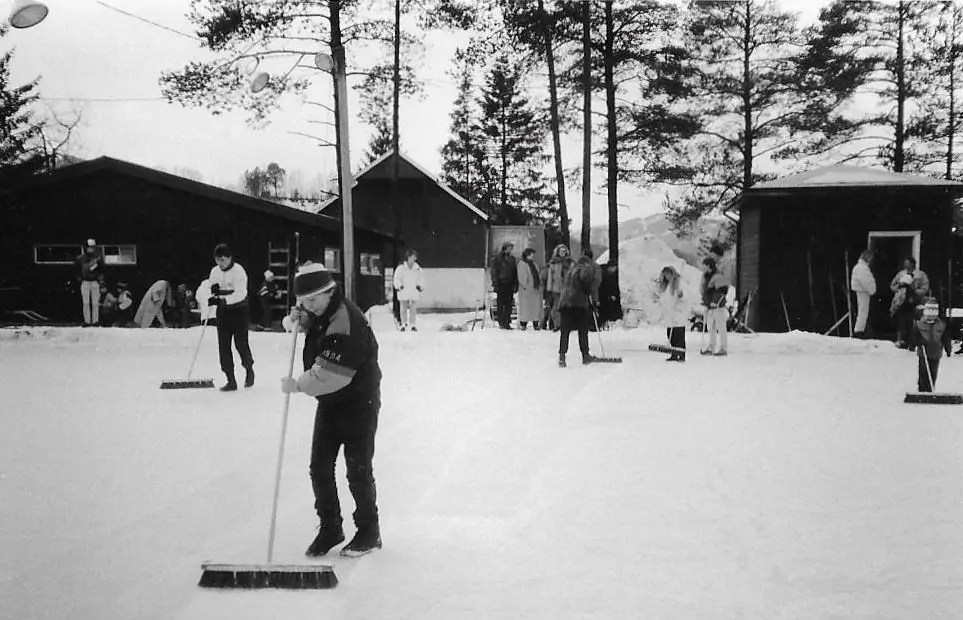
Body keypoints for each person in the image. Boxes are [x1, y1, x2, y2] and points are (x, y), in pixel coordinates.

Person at [280, 262, 383, 558]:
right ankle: (330, 528)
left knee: (357, 470)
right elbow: (314, 322)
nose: (307, 306)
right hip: (331, 402)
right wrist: (301, 317)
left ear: (328, 292)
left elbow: (331, 375)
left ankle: (369, 531)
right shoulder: (322, 310)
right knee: (320, 467)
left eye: (312, 300)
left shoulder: (346, 321)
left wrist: (298, 385)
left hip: (358, 402)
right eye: (302, 301)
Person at [207, 244, 255, 391]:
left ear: (229, 258)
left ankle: (248, 369)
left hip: (239, 311)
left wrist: (223, 299)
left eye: (223, 260)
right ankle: (230, 379)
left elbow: (241, 293)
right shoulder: (215, 271)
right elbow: (210, 287)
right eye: (217, 260)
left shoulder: (239, 271)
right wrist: (212, 294)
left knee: (240, 343)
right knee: (223, 345)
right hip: (223, 313)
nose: (220, 263)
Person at [557, 249, 598, 367]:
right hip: (578, 304)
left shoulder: (571, 270)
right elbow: (586, 284)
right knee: (583, 331)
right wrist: (590, 293)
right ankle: (585, 355)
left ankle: (562, 357)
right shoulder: (584, 269)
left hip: (565, 304)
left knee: (565, 332)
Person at [910, 298, 952, 392]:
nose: (930, 318)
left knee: (933, 372)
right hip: (923, 353)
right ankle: (921, 388)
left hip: (936, 353)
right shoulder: (920, 324)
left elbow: (945, 338)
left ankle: (929, 389)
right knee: (923, 371)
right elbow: (914, 336)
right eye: (928, 315)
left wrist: (948, 348)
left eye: (932, 316)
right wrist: (915, 343)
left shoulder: (941, 325)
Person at [890, 257, 930, 348]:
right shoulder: (900, 274)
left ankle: (913, 341)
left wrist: (915, 291)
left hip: (914, 301)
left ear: (913, 264)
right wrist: (899, 287)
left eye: (907, 263)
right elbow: (892, 285)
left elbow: (925, 288)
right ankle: (901, 340)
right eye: (905, 263)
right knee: (901, 320)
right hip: (901, 301)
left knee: (912, 322)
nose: (906, 265)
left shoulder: (921, 275)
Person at [654, 265, 689, 362]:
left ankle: (681, 354)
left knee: (679, 336)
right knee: (671, 334)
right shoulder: (666, 286)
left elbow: (685, 296)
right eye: (665, 275)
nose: (667, 276)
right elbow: (665, 299)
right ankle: (674, 353)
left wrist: (681, 294)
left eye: (668, 274)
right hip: (669, 314)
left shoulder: (679, 283)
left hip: (678, 313)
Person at [700, 256, 730, 356]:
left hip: (718, 307)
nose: (702, 267)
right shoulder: (706, 276)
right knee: (710, 328)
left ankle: (723, 348)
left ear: (708, 265)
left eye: (704, 265)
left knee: (721, 328)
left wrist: (715, 301)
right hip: (709, 307)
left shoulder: (718, 276)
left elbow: (722, 291)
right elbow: (707, 291)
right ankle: (711, 346)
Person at [392, 249, 426, 332]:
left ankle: (412, 324)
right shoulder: (401, 268)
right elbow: (397, 278)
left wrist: (420, 286)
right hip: (404, 290)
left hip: (413, 290)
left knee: (413, 308)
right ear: (408, 257)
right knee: (403, 307)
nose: (414, 259)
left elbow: (422, 279)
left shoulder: (417, 269)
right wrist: (399, 286)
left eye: (415, 257)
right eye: (412, 257)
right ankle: (403, 324)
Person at [544, 244, 574, 331]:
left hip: (568, 288)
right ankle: (558, 324)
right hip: (556, 288)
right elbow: (550, 276)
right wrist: (549, 289)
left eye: (564, 251)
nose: (563, 253)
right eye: (561, 251)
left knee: (567, 308)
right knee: (556, 308)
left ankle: (567, 324)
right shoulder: (553, 262)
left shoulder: (570, 262)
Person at [490, 242, 518, 329]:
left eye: (511, 248)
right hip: (501, 283)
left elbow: (514, 272)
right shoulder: (497, 258)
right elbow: (494, 272)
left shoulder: (512, 259)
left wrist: (515, 283)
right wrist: (495, 283)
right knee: (501, 303)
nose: (510, 250)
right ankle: (501, 321)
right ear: (505, 248)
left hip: (510, 283)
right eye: (509, 248)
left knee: (509, 304)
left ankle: (507, 320)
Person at [75, 239, 103, 326]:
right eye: (89, 248)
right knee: (86, 303)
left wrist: (100, 279)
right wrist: (79, 278)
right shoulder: (80, 259)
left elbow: (102, 270)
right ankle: (87, 321)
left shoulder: (98, 259)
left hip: (95, 282)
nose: (91, 249)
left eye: (92, 248)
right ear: (86, 248)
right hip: (85, 282)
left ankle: (95, 321)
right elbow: (76, 270)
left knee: (95, 303)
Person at [850, 249, 876, 339]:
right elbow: (866, 280)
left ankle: (860, 330)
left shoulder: (861, 267)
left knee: (863, 312)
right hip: (863, 291)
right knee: (863, 312)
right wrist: (872, 290)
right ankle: (858, 331)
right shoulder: (862, 268)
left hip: (862, 291)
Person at [516, 248, 542, 331]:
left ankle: (535, 323)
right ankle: (523, 323)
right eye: (531, 254)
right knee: (525, 307)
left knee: (535, 307)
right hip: (526, 289)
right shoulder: (522, 263)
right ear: (527, 255)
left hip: (535, 288)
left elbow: (537, 274)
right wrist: (525, 285)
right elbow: (522, 276)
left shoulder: (534, 264)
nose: (533, 256)